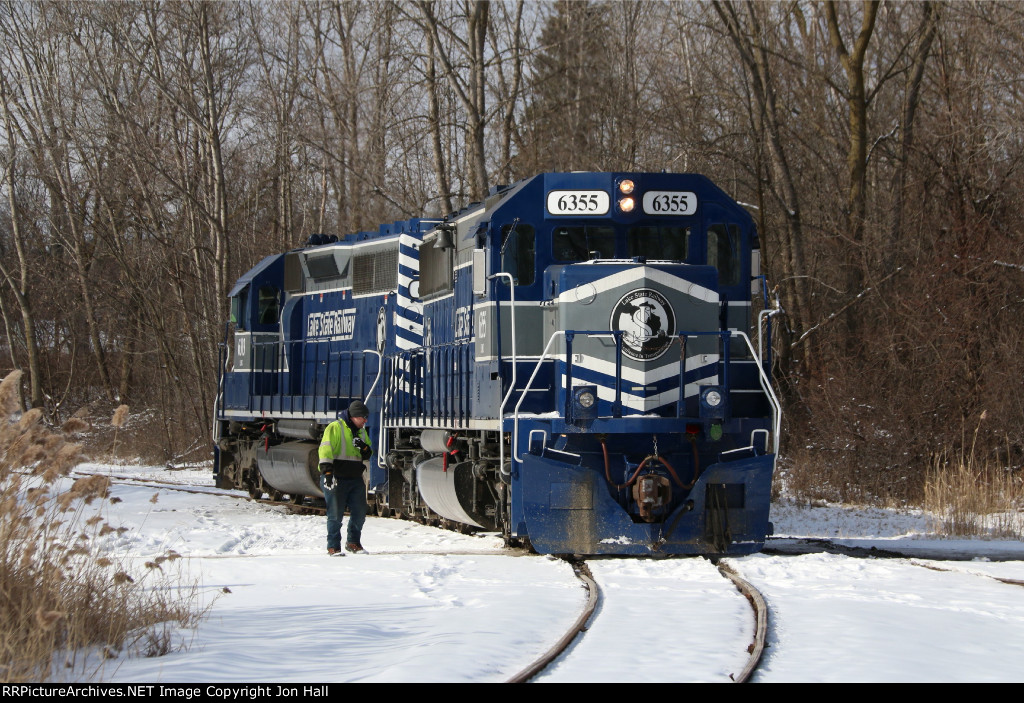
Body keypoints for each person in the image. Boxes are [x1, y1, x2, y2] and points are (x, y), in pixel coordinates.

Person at [318, 400, 373, 555]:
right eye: (363, 417)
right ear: (354, 416)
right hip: (336, 477)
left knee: (360, 511)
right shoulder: (335, 428)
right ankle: (333, 546)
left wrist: (363, 447)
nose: (365, 421)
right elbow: (325, 451)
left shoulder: (362, 432)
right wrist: (327, 474)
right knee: (335, 514)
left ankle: (353, 542)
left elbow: (369, 453)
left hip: (355, 478)